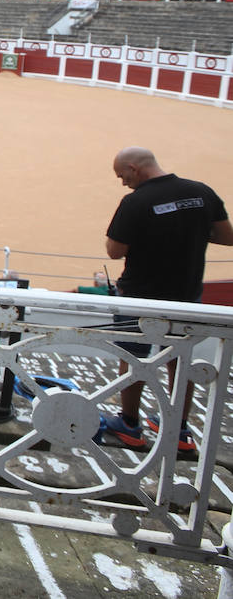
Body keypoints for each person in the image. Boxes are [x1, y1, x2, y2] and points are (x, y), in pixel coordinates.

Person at [96, 146, 233, 453]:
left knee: (134, 359)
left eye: (122, 176)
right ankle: (179, 430)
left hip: (140, 297)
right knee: (179, 361)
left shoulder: (136, 202)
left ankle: (129, 426)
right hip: (185, 296)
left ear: (134, 168)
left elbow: (115, 251)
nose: (123, 183)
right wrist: (187, 230)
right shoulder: (201, 193)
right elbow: (227, 236)